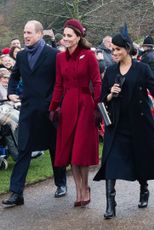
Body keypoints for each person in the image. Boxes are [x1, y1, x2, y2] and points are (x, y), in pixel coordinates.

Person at [93, 28, 154, 219]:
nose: (114, 52)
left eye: (117, 49)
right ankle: (110, 203)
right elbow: (101, 100)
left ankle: (144, 188)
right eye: (112, 49)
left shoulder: (142, 69)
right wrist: (111, 94)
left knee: (140, 159)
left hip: (139, 123)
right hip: (116, 124)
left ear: (127, 49)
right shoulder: (110, 71)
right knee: (110, 161)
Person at [2, 20, 67, 208]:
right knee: (23, 149)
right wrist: (11, 92)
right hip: (28, 110)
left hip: (50, 110)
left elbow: (60, 82)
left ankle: (61, 183)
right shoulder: (21, 56)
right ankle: (16, 193)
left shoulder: (53, 55)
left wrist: (54, 102)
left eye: (29, 32)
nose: (25, 36)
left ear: (39, 34)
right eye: (24, 32)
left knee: (55, 148)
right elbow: (14, 77)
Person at [49, 19, 101, 207]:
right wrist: (53, 107)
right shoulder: (59, 58)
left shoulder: (88, 56)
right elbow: (58, 84)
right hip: (68, 105)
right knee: (71, 150)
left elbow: (97, 82)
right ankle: (78, 189)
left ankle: (85, 187)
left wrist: (96, 106)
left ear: (79, 37)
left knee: (81, 149)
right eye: (64, 36)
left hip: (85, 105)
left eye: (70, 36)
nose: (66, 39)